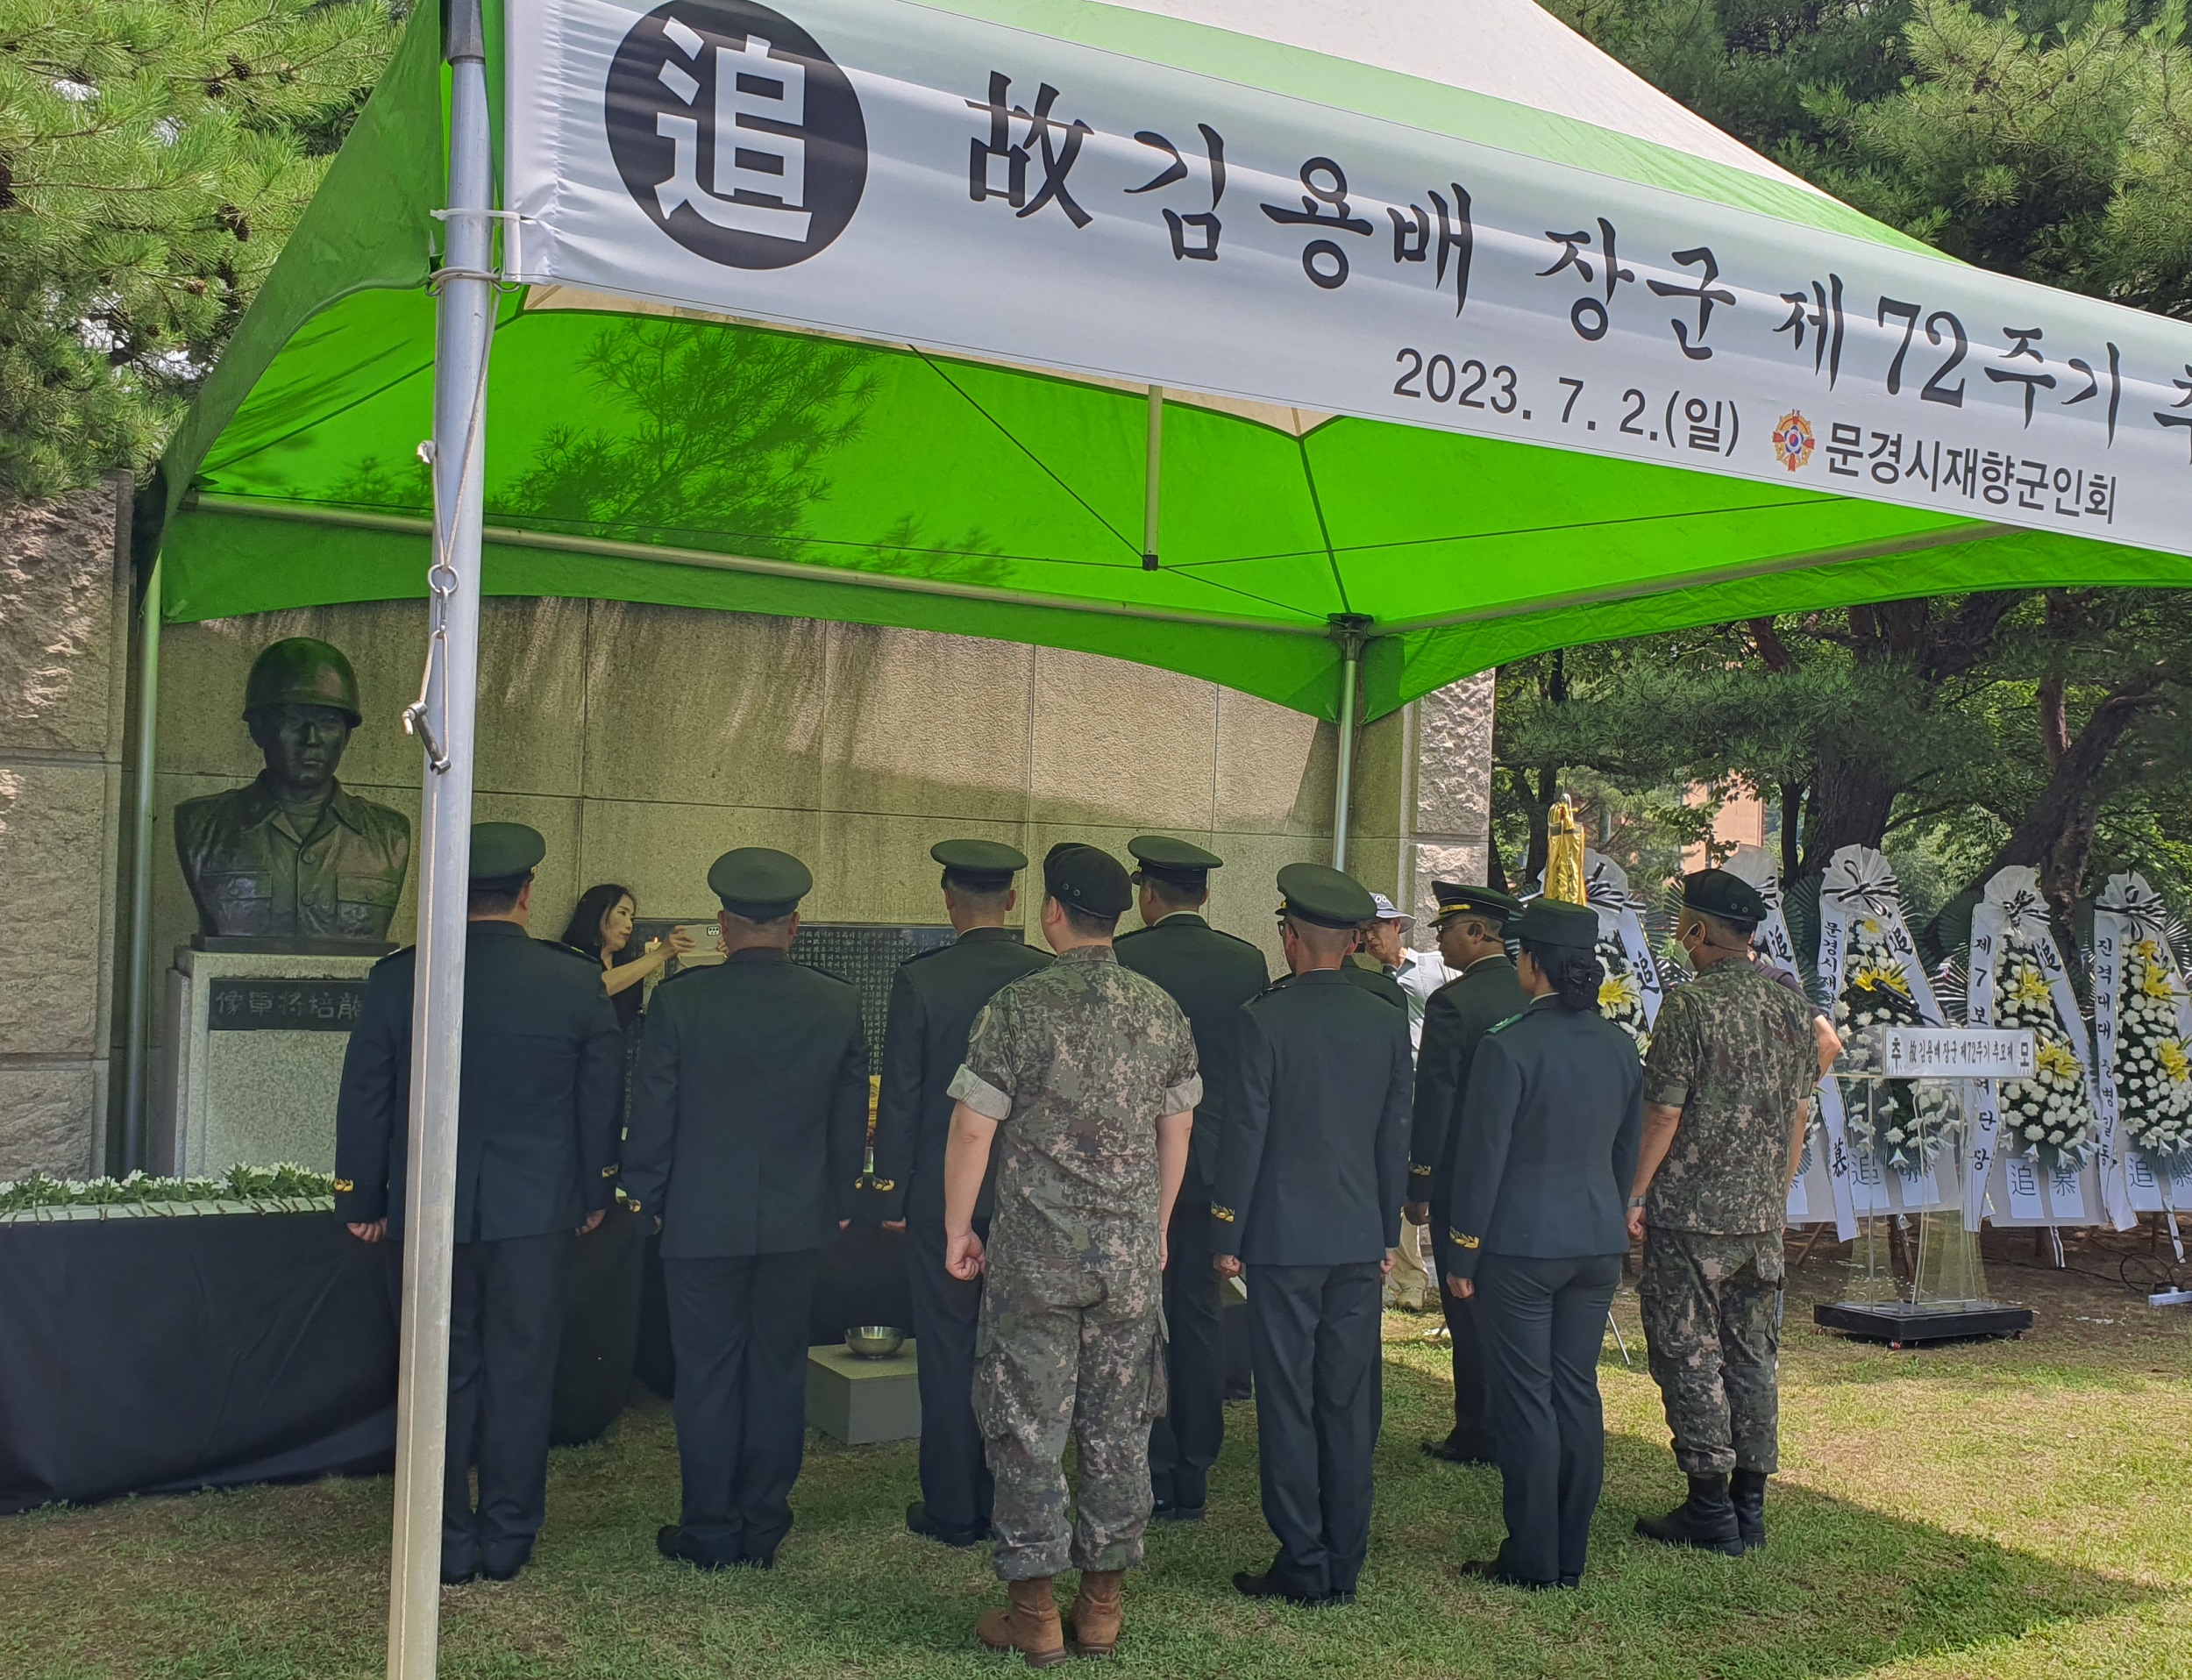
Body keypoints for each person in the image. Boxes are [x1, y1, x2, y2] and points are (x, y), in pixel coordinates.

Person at [333, 822, 623, 1584]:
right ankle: (509, 1533)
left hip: (427, 1207)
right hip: (536, 1212)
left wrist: (362, 1196)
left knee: (437, 1373)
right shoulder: (572, 980)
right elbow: (599, 1099)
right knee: (521, 1371)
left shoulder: (400, 977)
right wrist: (594, 1191)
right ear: (527, 894)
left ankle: (445, 1535)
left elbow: (367, 1096)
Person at [943, 844, 1199, 1665]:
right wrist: (1158, 1225)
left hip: (1035, 1260)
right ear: (1116, 917)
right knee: (1121, 1427)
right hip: (1128, 1260)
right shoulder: (1159, 1009)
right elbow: (1177, 1128)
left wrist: (958, 1228)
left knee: (1027, 1425)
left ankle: (1035, 1616)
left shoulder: (1016, 1007)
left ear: (1052, 911)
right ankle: (1101, 1609)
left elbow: (973, 1127)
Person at [623, 847, 869, 1571]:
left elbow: (655, 1113)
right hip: (796, 1219)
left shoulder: (681, 1001)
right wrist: (841, 1199)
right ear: (795, 926)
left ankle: (708, 1528)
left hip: (700, 1219)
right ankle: (763, 1524)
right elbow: (848, 1121)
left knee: (707, 1374)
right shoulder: (836, 1002)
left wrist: (645, 1197)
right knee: (778, 1370)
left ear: (724, 927)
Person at [1213, 864, 1412, 1609]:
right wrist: (1386, 1228)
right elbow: (1395, 1133)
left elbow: (1245, 1135)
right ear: (1353, 942)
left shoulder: (1264, 1019)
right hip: (1358, 1236)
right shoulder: (1383, 1016)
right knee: (1347, 1399)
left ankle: (1303, 1556)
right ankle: (1345, 1556)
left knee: (1288, 1399)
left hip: (1283, 1241)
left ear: (1290, 939)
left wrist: (1228, 1227)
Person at [1442, 898, 1642, 1590]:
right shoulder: (1619, 1046)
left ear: (1531, 964)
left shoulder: (1508, 1045)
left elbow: (1482, 1161)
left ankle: (1532, 1555)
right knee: (1576, 1391)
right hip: (1595, 1241)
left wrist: (1462, 1251)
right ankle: (1569, 1550)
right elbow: (1624, 1154)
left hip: (1522, 1247)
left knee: (1526, 1397)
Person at [1629, 868, 1820, 1556]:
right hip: (1760, 1218)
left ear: (1699, 931)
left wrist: (1636, 1192)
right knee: (1752, 1355)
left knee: (1688, 1351)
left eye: (1684, 925)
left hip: (1693, 1215)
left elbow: (1664, 1112)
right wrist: (1776, 1192)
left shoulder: (1690, 1006)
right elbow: (1799, 1113)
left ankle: (1709, 1506)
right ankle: (1750, 1504)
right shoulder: (1793, 1008)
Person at [871, 839, 1052, 1549]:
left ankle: (952, 1505)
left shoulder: (921, 981)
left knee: (947, 1351)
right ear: (1013, 901)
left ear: (949, 902)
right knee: (1023, 1355)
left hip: (942, 1195)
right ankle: (1014, 1500)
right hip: (1030, 1199)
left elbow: (902, 1098)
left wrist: (892, 1193)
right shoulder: (1044, 977)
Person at [1113, 833, 1269, 1524]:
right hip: (1215, 1163)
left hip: (1137, 1161)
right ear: (1204, 895)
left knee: (1135, 1314)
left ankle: (1147, 1459)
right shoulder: (1246, 962)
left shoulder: (1125, 958)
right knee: (1200, 1311)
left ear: (1147, 894)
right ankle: (1196, 1462)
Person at [1403, 882, 1528, 1465]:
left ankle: (1478, 1430)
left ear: (1478, 933)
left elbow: (1436, 1102)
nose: (1440, 941)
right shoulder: (1533, 993)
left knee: (1468, 1307)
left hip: (1463, 1180)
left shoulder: (1454, 1003)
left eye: (1447, 929)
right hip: (1526, 1181)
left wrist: (1420, 1183)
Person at [174, 636, 410, 941]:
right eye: (292, 720)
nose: (311, 739)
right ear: (258, 729)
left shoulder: (389, 835)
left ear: (346, 737)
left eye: (328, 722)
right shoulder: (202, 826)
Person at [1361, 893, 1448, 1310]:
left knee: (1419, 1176)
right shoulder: (1372, 986)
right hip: (1390, 1089)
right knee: (1394, 1175)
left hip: (1430, 1088)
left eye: (1376, 927)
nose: (1370, 938)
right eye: (1363, 931)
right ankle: (1406, 1276)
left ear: (1396, 925)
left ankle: (1415, 1277)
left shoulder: (1436, 967)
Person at [559, 883, 694, 1034]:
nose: (629, 925)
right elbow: (595, 987)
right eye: (622, 913)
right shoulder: (569, 956)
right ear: (597, 912)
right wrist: (659, 954)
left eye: (632, 918)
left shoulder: (626, 966)